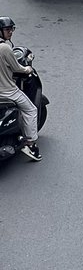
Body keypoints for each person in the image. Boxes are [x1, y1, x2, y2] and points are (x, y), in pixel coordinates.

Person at [0, 18, 40, 162]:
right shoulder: (4, 48)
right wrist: (27, 68)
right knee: (30, 110)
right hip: (7, 92)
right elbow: (17, 68)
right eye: (7, 30)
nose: (10, 32)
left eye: (11, 29)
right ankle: (31, 145)